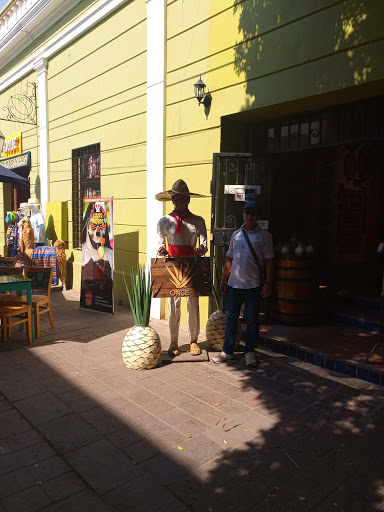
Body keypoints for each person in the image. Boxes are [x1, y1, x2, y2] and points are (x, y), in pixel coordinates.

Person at [212, 201, 274, 367]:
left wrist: (268, 282)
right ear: (243, 214)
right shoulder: (236, 235)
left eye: (253, 213)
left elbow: (269, 262)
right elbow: (229, 258)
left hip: (253, 286)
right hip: (234, 285)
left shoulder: (265, 237)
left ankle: (250, 352)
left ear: (257, 216)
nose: (250, 216)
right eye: (247, 213)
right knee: (231, 319)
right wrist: (224, 279)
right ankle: (228, 351)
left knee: (253, 320)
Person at [156, 179, 207, 356]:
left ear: (188, 200)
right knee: (173, 305)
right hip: (172, 267)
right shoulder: (164, 222)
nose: (180, 202)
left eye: (183, 199)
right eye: (177, 199)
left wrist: (200, 250)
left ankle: (193, 340)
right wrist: (162, 250)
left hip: (192, 267)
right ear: (172, 199)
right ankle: (174, 341)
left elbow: (205, 246)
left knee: (193, 304)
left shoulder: (198, 221)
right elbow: (159, 245)